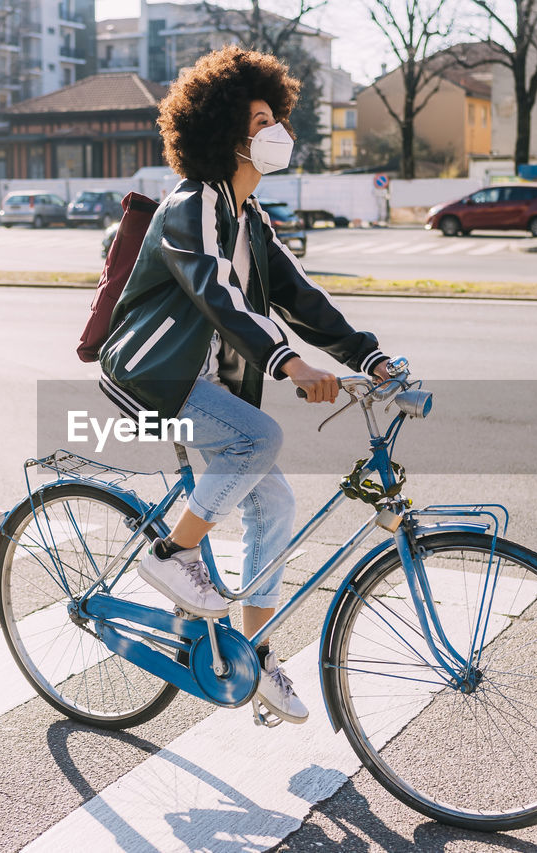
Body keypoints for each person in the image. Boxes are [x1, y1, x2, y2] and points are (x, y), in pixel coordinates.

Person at [97, 46, 393, 725]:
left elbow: (301, 298)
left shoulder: (249, 220)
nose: (277, 132)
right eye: (262, 120)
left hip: (199, 381)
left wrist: (370, 356)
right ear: (229, 133)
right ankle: (174, 553)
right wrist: (290, 364)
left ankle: (253, 657)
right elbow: (219, 297)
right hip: (153, 375)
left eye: (277, 118)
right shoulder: (191, 205)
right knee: (259, 436)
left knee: (275, 506)